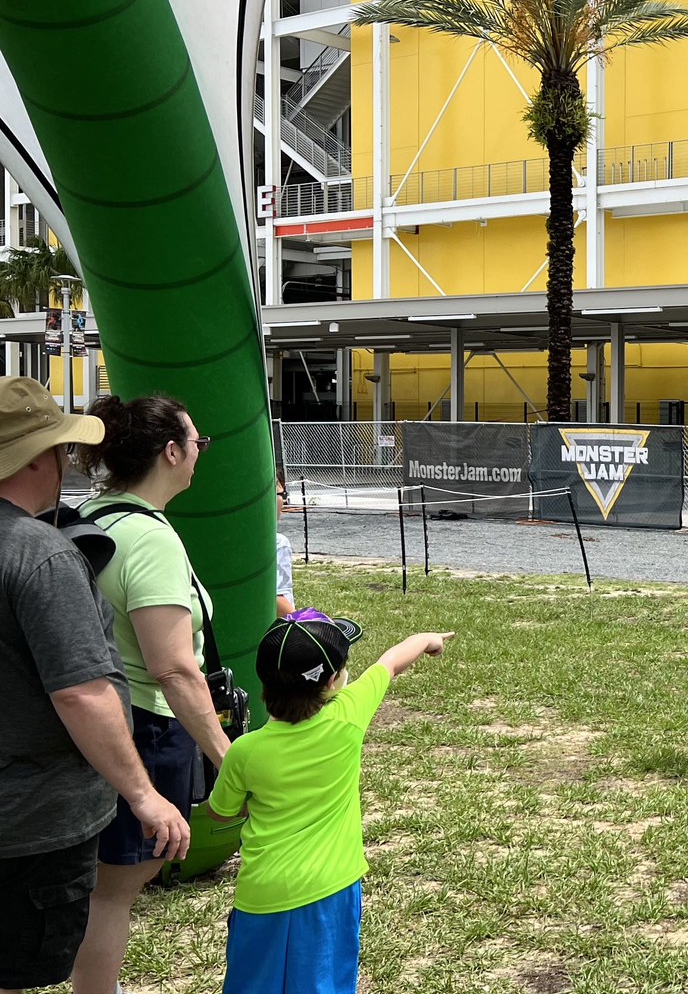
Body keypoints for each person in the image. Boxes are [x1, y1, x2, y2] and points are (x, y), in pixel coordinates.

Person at [0, 378, 190, 994]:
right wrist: (143, 794)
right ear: (36, 456)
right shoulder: (40, 554)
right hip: (28, 821)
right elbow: (81, 691)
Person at [71, 394, 232, 994]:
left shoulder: (95, 515)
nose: (199, 454)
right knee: (115, 888)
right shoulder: (152, 539)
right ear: (171, 451)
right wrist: (226, 754)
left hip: (101, 723)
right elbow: (174, 668)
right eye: (198, 443)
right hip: (147, 728)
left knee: (106, 884)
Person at [207, 613, 451, 994]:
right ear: (333, 681)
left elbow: (220, 811)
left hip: (262, 893)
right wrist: (427, 638)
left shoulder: (244, 751)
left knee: (251, 984)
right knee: (324, 984)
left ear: (264, 684)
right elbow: (389, 662)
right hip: (331, 890)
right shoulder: (348, 715)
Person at [275, 471, 295, 618]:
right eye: (280, 495)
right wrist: (312, 624)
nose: (283, 500)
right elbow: (274, 598)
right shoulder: (279, 542)